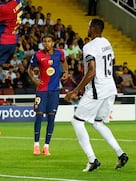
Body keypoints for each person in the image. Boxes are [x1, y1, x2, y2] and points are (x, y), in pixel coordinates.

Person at [65, 19, 128, 172]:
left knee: (77, 121)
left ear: (93, 28)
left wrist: (76, 90)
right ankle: (121, 154)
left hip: (97, 89)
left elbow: (91, 71)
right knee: (98, 122)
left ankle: (92, 159)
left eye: (88, 26)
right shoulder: (107, 42)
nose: (87, 28)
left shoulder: (89, 46)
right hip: (110, 87)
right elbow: (112, 62)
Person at [28, 34, 68, 156]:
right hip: (42, 90)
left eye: (49, 41)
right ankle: (36, 145)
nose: (46, 43)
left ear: (53, 43)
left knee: (51, 117)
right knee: (39, 116)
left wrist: (66, 72)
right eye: (44, 41)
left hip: (54, 91)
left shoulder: (59, 53)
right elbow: (30, 69)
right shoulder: (38, 55)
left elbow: (64, 62)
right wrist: (34, 79)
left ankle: (46, 146)